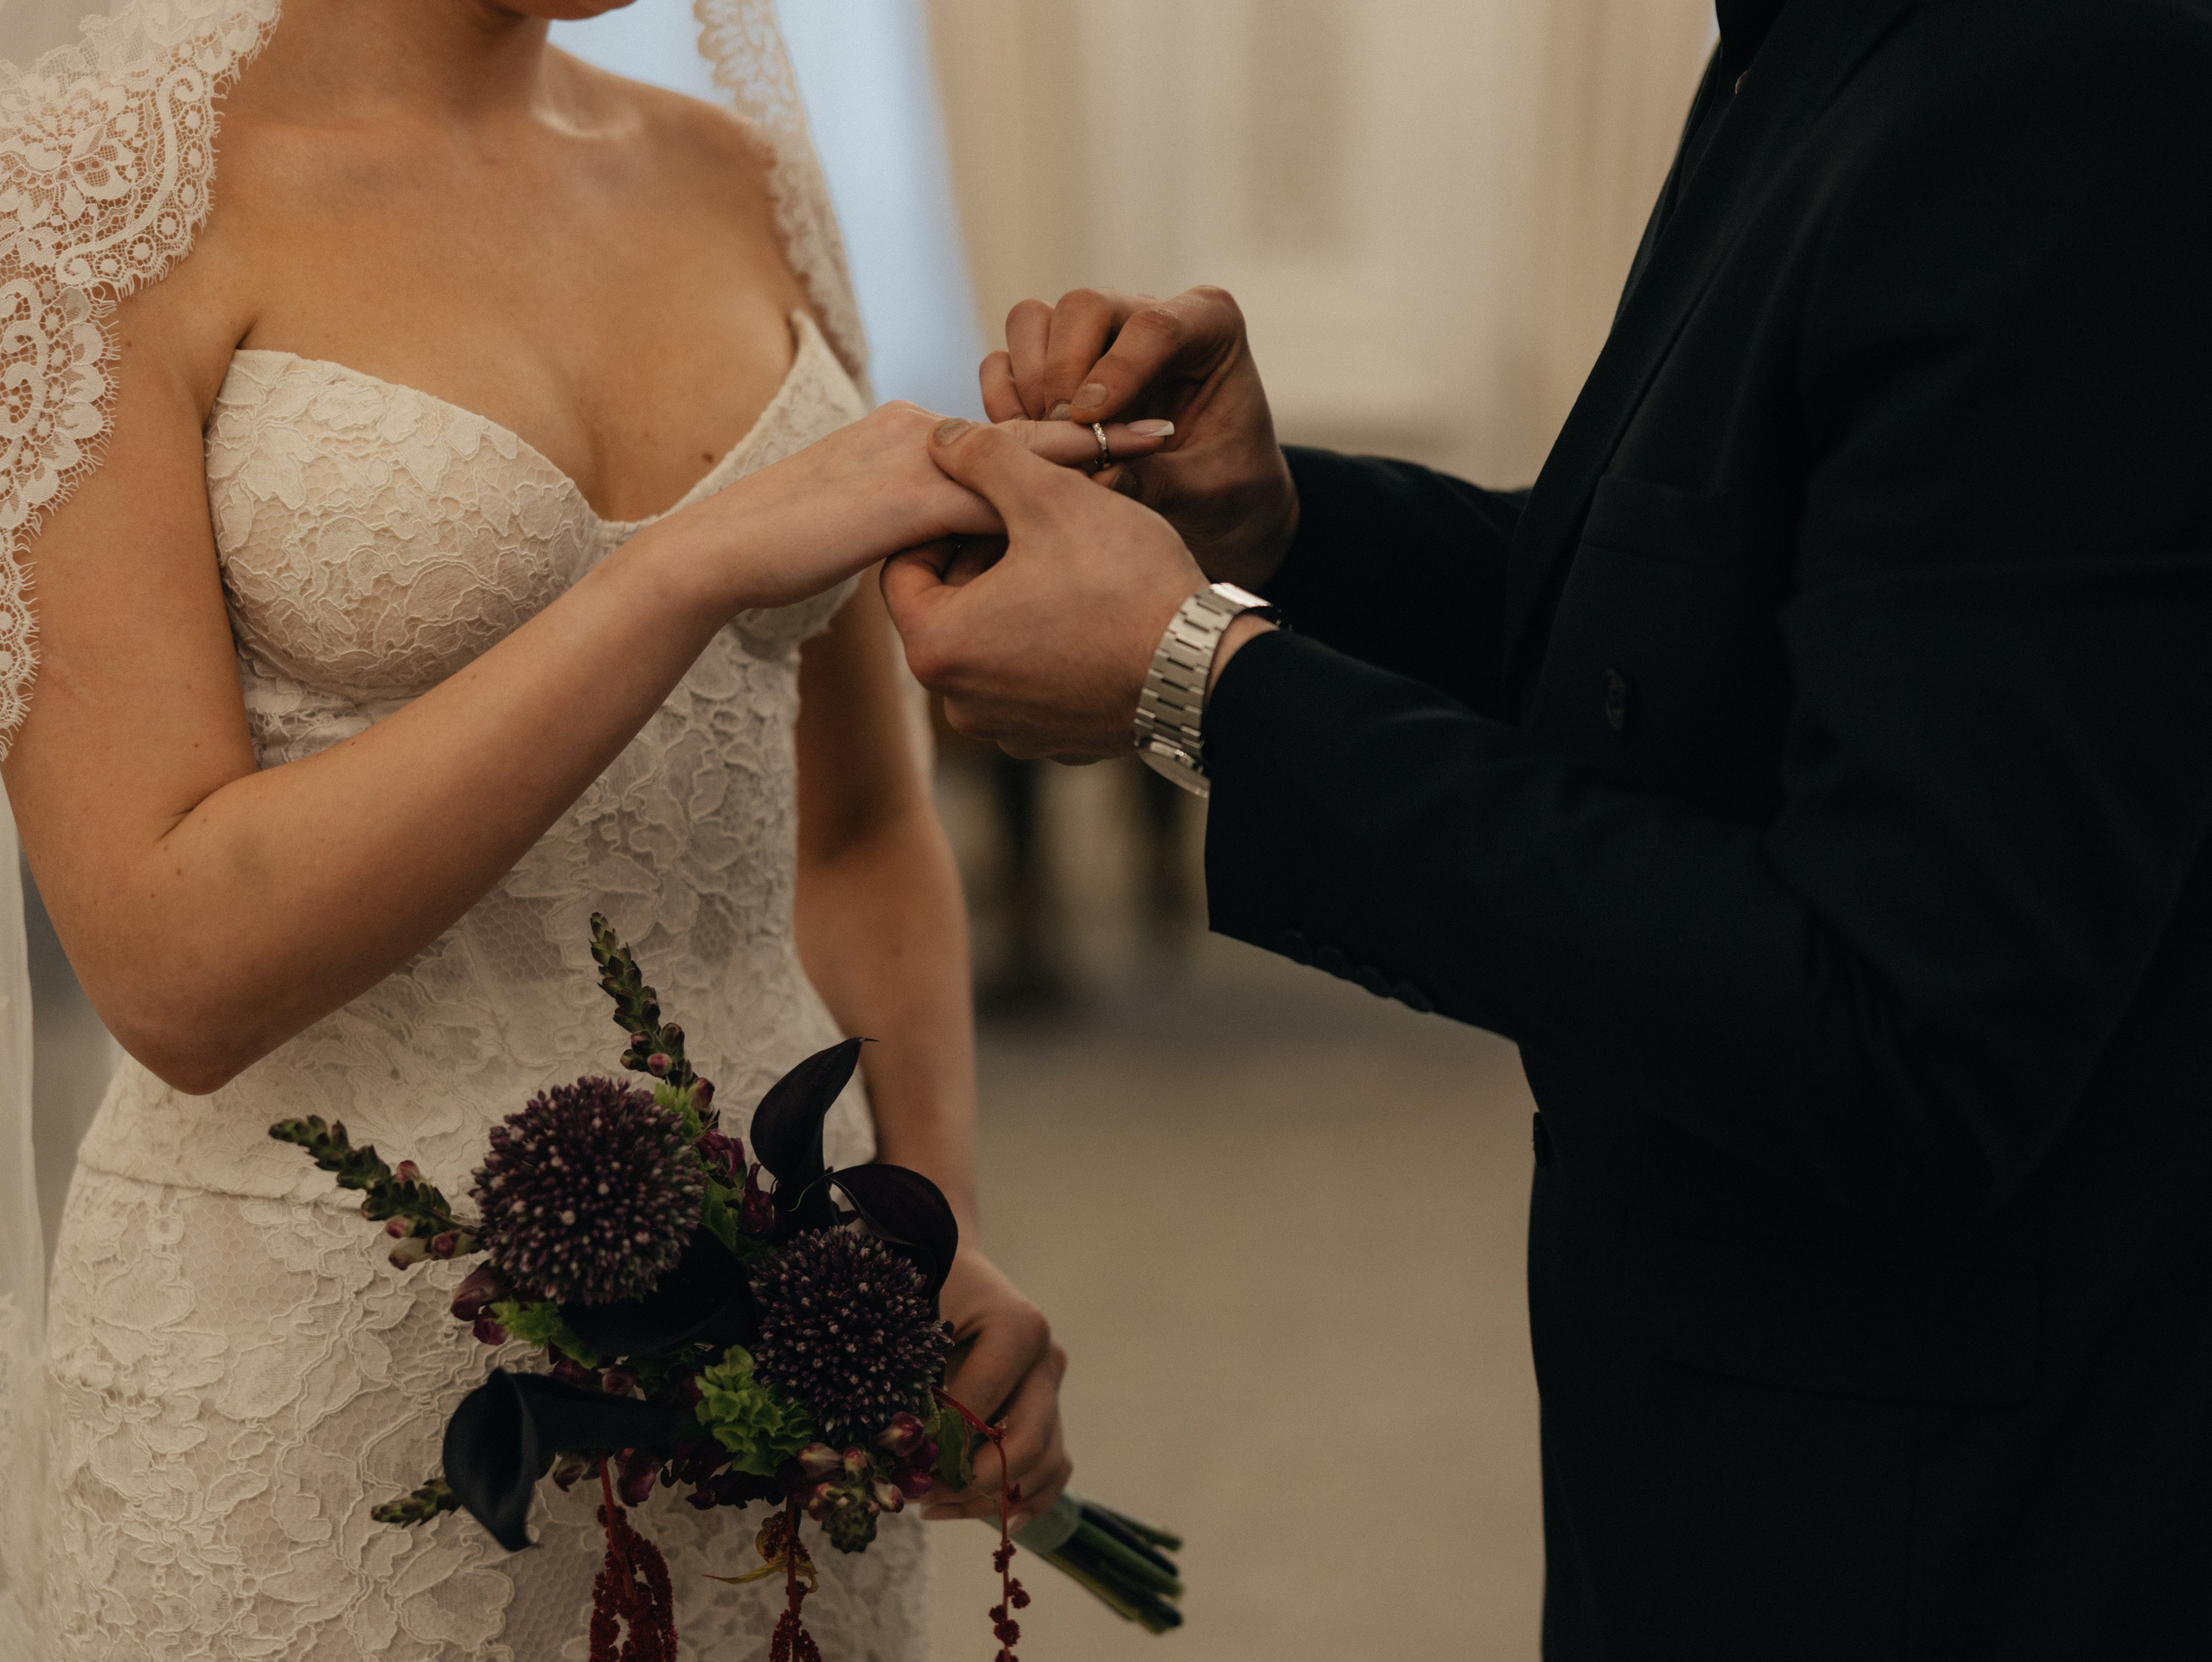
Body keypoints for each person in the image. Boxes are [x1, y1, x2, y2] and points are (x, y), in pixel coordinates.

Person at [881, 0, 2212, 1653]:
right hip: (1714, 1441)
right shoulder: (1816, 46)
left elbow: (1901, 1025)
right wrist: (1278, 531)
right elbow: (1716, 640)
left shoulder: (2074, 83)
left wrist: (1197, 681)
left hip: (1939, 1521)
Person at [0, 1, 1168, 1655]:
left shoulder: (739, 176)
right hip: (310, 1389)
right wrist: (680, 573)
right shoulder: (81, 208)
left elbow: (851, 831)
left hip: (771, 1367)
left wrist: (917, 1248)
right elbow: (172, 959)